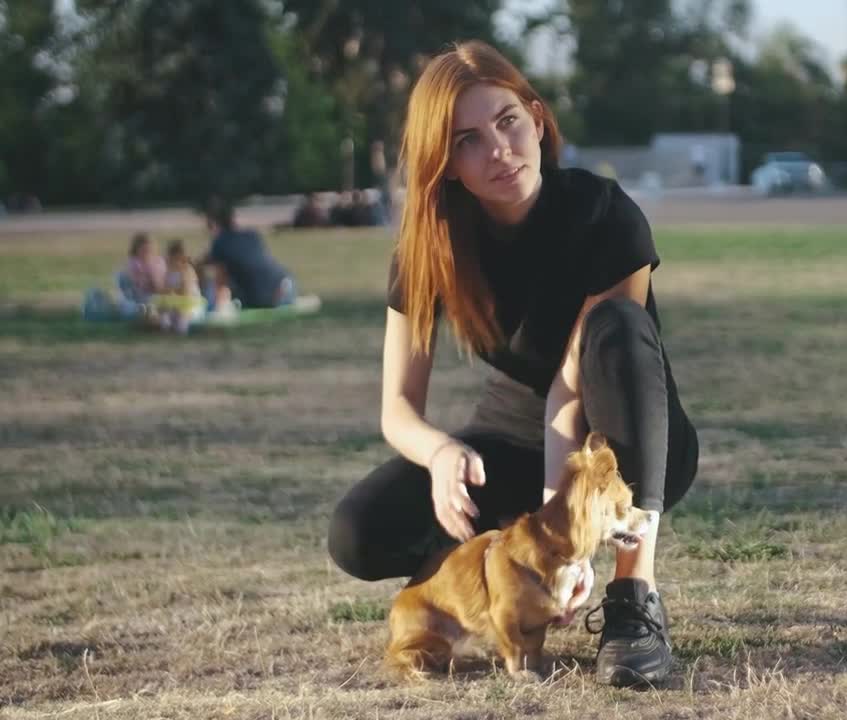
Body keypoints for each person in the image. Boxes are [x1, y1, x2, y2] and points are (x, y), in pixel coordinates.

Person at [326, 40, 699, 688]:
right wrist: (442, 454)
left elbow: (568, 390)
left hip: (619, 438)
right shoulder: (430, 245)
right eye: (467, 140)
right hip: (507, 442)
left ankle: (634, 603)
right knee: (357, 532)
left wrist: (564, 548)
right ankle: (488, 580)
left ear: (536, 117)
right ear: (445, 165)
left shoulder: (604, 214)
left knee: (618, 326)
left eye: (507, 123)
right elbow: (397, 409)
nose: (497, 150)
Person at [199, 199, 296, 309]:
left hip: (264, 298)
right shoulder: (252, 235)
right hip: (286, 285)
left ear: (212, 222)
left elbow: (220, 282)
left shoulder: (219, 244)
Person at [152, 239, 206, 334]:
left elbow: (186, 292)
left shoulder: (187, 271)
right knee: (163, 312)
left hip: (190, 306)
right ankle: (166, 329)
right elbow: (163, 290)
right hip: (174, 305)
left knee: (182, 315)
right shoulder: (168, 272)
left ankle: (180, 330)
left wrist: (171, 292)